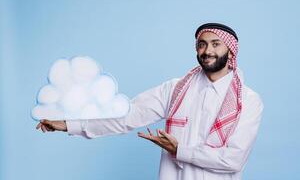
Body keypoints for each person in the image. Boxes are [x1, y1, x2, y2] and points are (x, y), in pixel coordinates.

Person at [36, 23, 263, 180]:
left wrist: (180, 150)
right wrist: (68, 124)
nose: (207, 51)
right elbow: (126, 116)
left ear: (231, 52)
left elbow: (233, 159)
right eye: (202, 45)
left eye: (215, 44)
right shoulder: (176, 89)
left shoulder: (248, 101)